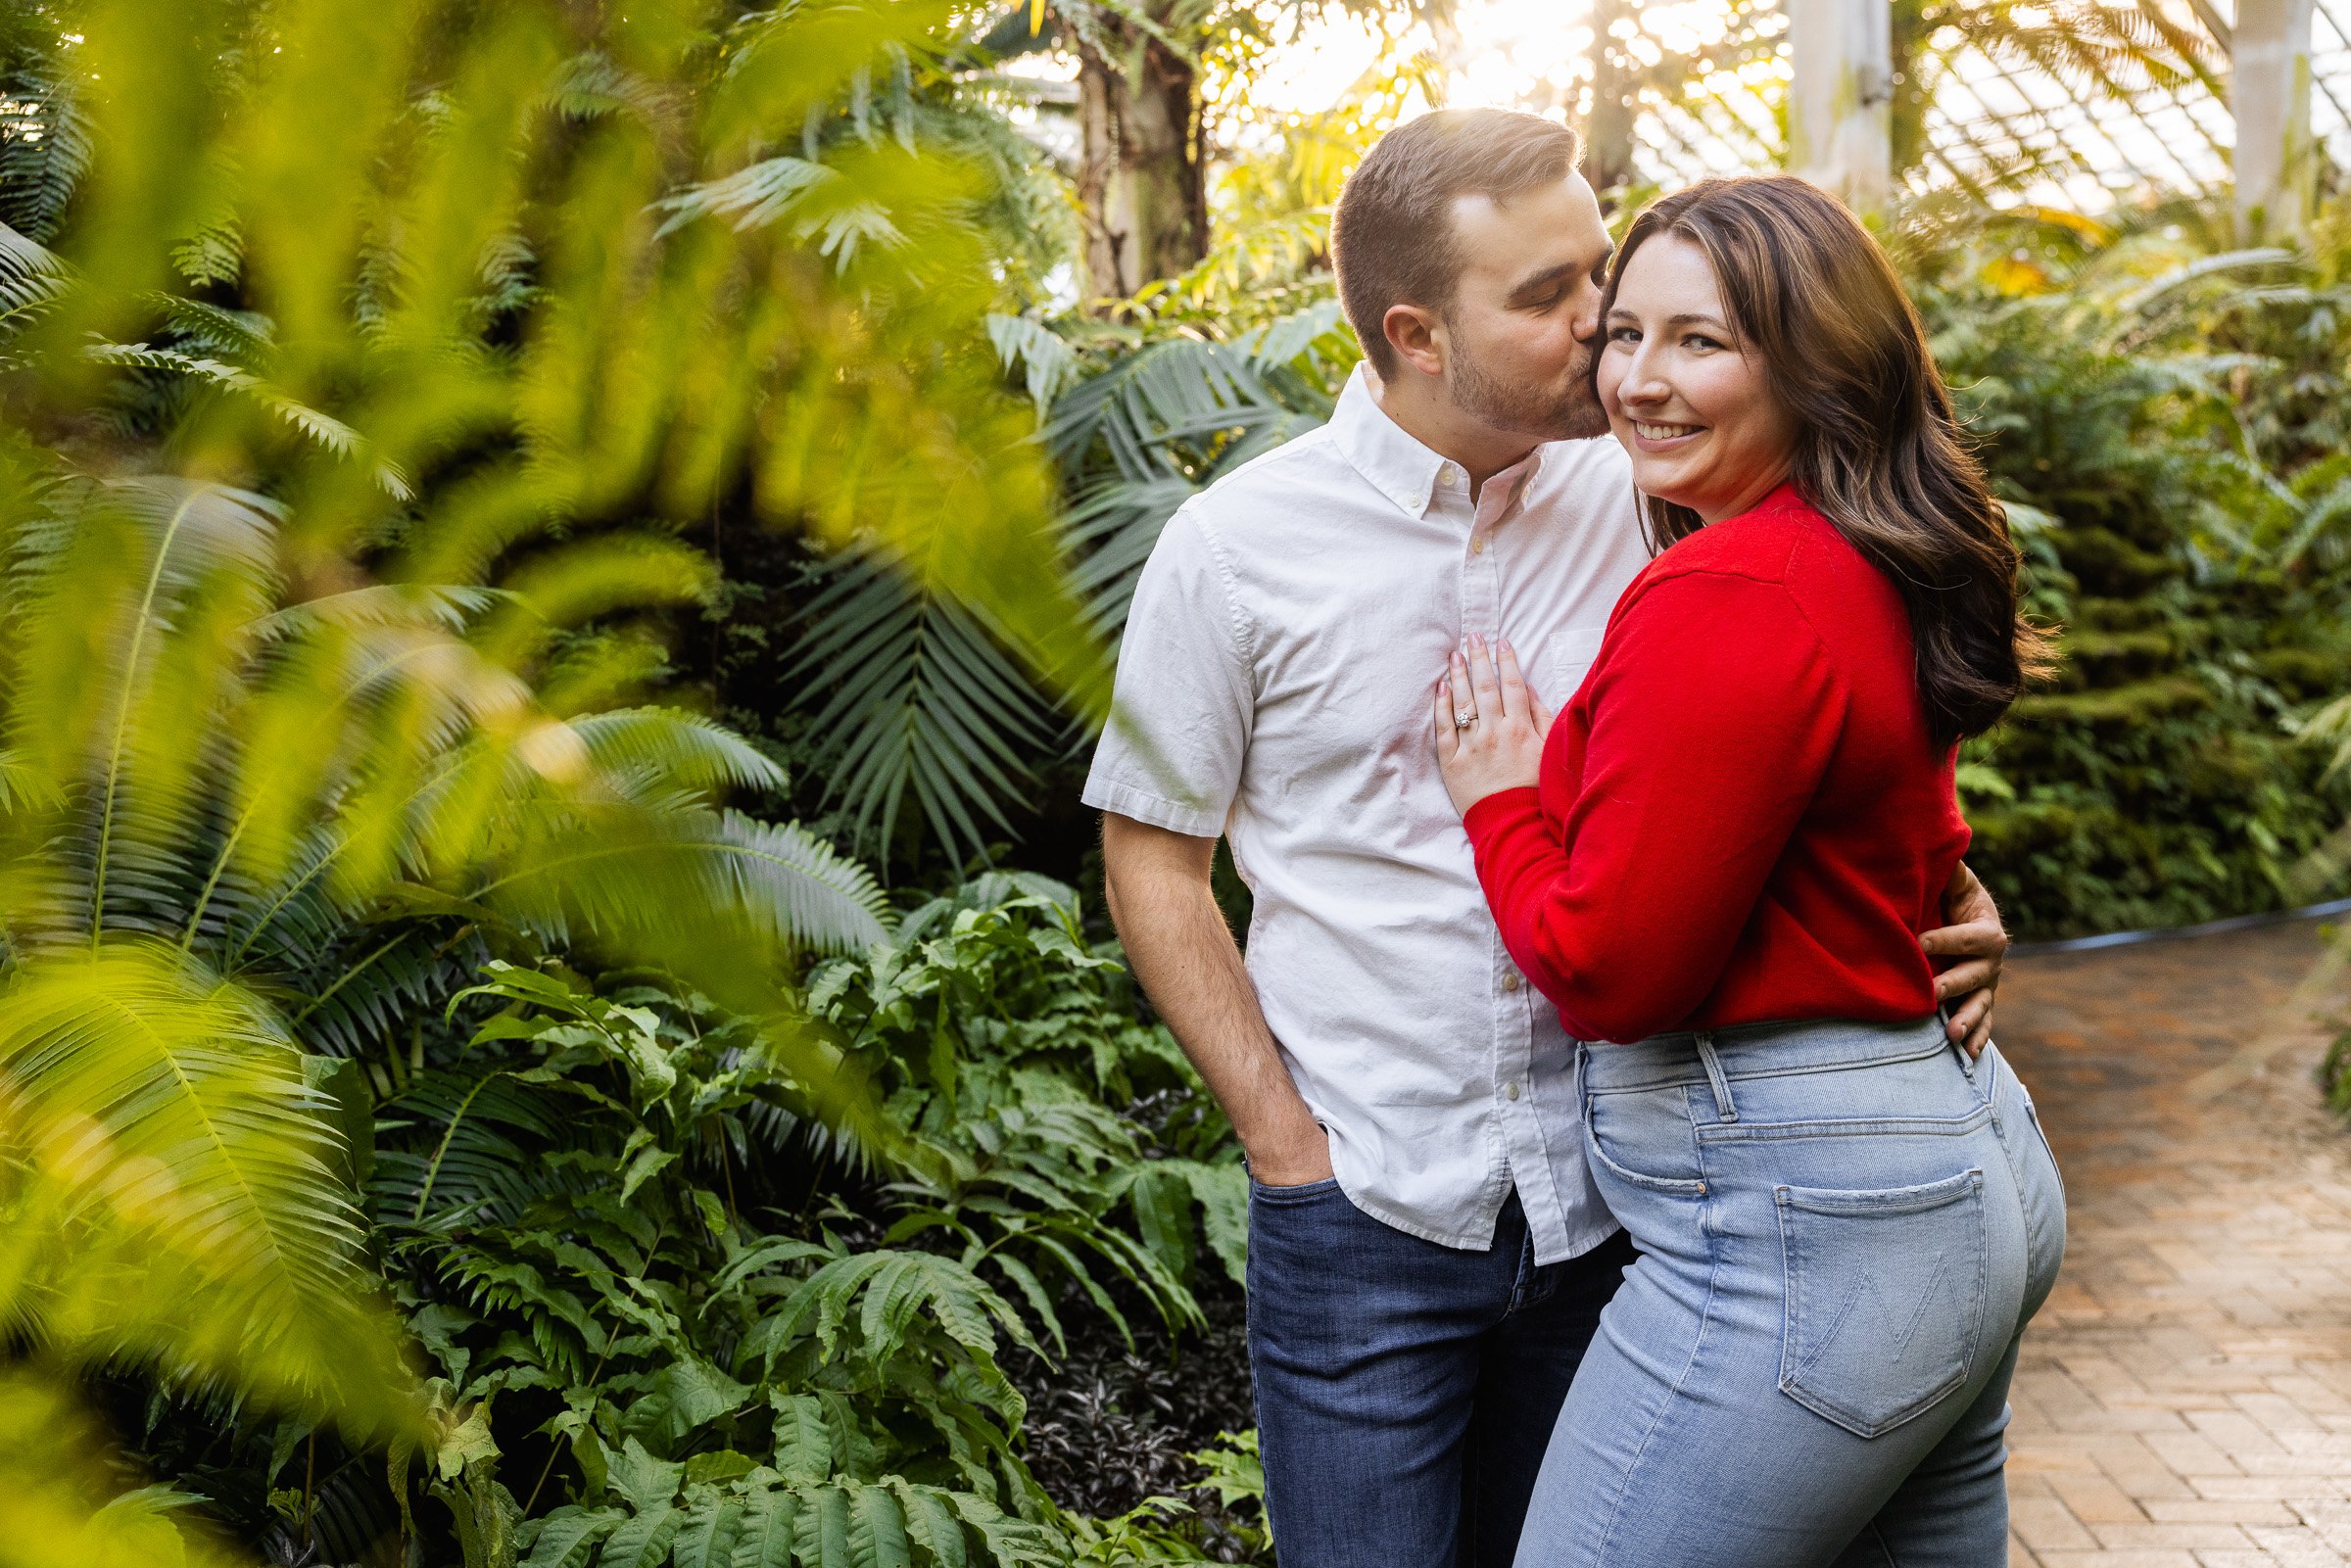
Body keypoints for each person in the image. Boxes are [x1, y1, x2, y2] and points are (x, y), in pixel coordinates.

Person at [1086, 111, 2014, 1568]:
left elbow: (1806, 709)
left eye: (1604, 272)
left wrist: (1943, 884)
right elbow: (1152, 852)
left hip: (1624, 1211)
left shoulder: (1659, 482)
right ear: (1416, 331)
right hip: (1370, 1203)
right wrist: (1283, 1141)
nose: (1608, 335)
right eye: (1554, 298)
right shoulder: (1234, 550)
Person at [1432, 174, 2068, 1567]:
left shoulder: (1726, 590)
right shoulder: (1867, 549)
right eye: (1625, 334)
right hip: (1960, 1169)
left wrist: (1497, 801)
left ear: (1811, 362)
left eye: (1700, 342)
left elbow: (1615, 969)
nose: (1640, 381)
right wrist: (1955, 905)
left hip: (1809, 1232)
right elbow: (1893, 835)